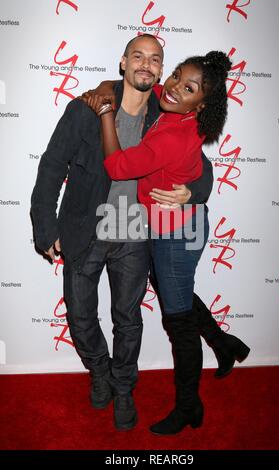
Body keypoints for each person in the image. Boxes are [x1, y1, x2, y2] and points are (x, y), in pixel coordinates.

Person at [30, 34, 212, 432]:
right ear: (123, 63)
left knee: (127, 320)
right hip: (84, 229)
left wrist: (193, 191)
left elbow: (202, 165)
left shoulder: (167, 112)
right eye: (138, 57)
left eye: (156, 59)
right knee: (80, 317)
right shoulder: (87, 109)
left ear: (162, 70)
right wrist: (45, 226)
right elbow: (51, 165)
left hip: (136, 234)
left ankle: (125, 387)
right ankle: (101, 373)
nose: (146, 65)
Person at [86, 49, 250, 435]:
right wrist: (103, 88)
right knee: (176, 295)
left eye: (187, 86)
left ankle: (189, 406)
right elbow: (133, 83)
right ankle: (224, 344)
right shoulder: (177, 106)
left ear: (202, 103)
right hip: (170, 226)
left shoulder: (175, 133)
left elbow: (117, 167)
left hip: (177, 233)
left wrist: (105, 113)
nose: (173, 86)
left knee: (178, 322)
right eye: (176, 75)